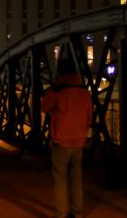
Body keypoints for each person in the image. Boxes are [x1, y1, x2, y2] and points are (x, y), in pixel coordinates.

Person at [42, 59, 93, 218]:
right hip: (79, 140)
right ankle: (77, 212)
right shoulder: (84, 91)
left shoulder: (57, 90)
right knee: (76, 177)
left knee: (61, 178)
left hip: (61, 140)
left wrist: (53, 89)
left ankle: (62, 213)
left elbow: (45, 107)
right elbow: (89, 116)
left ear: (60, 72)